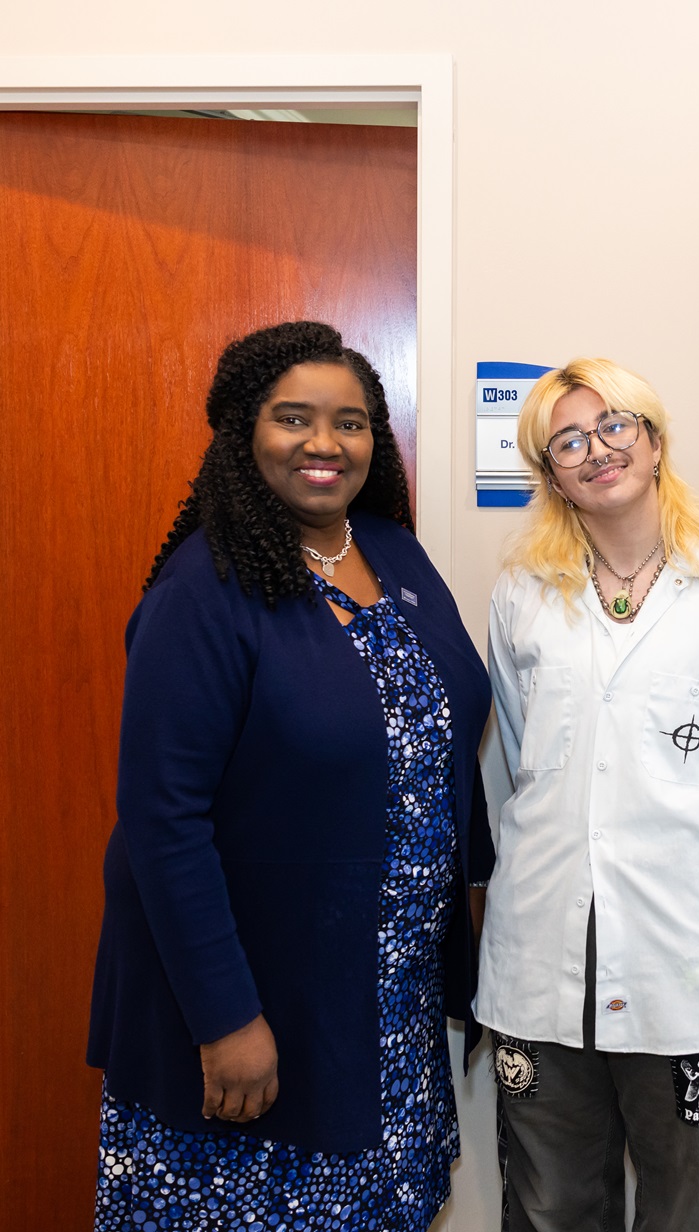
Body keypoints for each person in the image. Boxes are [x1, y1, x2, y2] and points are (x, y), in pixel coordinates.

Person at [87, 321, 493, 1231]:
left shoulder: (392, 549)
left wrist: (469, 901)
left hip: (385, 1000)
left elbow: (446, 733)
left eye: (350, 422)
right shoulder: (202, 591)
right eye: (294, 418)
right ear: (244, 432)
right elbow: (164, 822)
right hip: (255, 999)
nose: (324, 444)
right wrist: (226, 1020)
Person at [479, 358, 699, 1232]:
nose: (597, 451)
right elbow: (520, 760)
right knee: (549, 1207)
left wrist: (662, 839)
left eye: (615, 425)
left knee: (688, 1208)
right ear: (552, 476)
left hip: (679, 956)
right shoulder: (522, 597)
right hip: (542, 952)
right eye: (568, 441)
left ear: (655, 441)